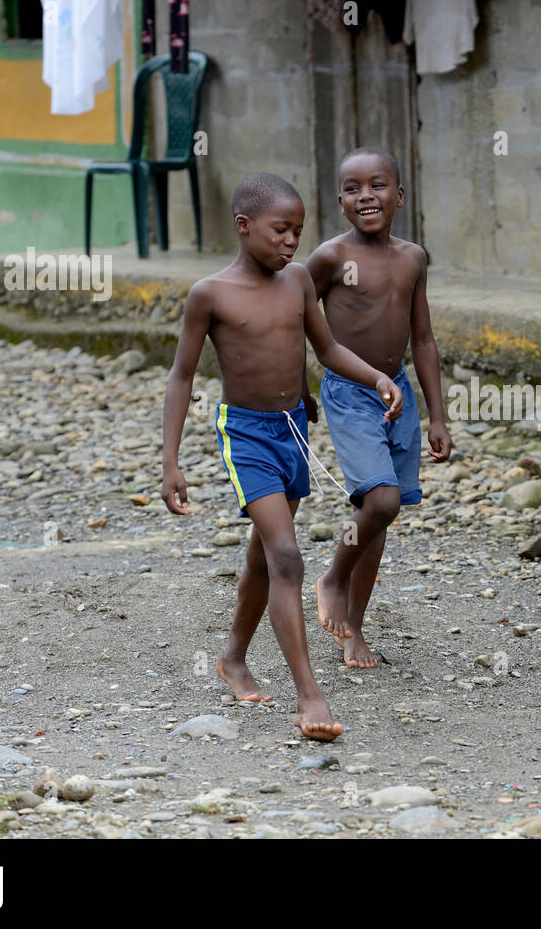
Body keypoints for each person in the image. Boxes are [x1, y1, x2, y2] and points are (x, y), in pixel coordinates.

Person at [160, 172, 402, 741]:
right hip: (244, 434)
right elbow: (181, 376)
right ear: (243, 227)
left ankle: (233, 657)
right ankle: (309, 696)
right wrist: (171, 461)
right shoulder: (210, 294)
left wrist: (374, 378)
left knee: (261, 557)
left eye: (298, 231)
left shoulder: (297, 281)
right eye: (279, 230)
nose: (291, 242)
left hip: (292, 429)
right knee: (287, 557)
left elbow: (326, 348)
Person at [306, 147, 452, 668]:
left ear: (400, 195)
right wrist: (299, 388)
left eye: (378, 185)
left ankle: (354, 631)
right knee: (383, 502)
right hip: (349, 393)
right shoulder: (328, 258)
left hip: (400, 394)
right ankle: (332, 577)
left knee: (376, 515)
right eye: (353, 188)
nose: (366, 196)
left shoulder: (413, 257)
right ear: (341, 201)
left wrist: (437, 415)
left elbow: (425, 338)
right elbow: (295, 319)